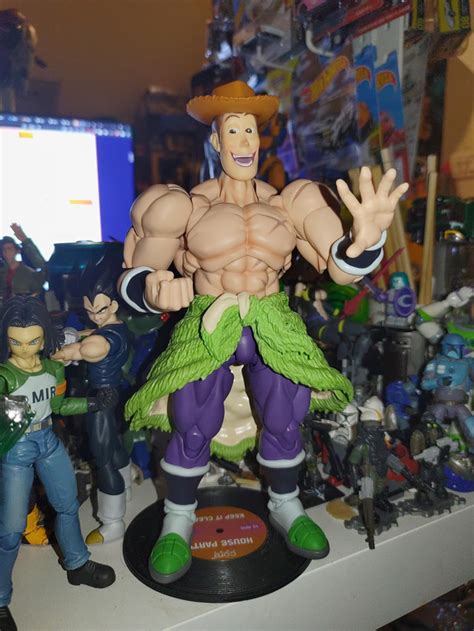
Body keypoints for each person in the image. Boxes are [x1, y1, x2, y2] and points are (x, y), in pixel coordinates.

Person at [119, 80, 408, 584]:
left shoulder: (293, 201)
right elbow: (136, 276)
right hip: (210, 318)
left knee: (285, 417)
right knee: (192, 421)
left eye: (251, 130)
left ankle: (285, 504)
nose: (244, 141)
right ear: (216, 141)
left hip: (272, 317)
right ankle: (178, 519)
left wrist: (365, 240)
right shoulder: (183, 205)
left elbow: (339, 268)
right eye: (233, 130)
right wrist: (155, 289)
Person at [0, 296, 116, 631]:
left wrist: (92, 404)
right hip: (16, 449)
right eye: (16, 342)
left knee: (67, 505)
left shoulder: (53, 368)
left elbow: (60, 406)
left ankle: (77, 564)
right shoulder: (4, 376)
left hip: (48, 439)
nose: (25, 350)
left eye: (33, 341)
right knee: (10, 530)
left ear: (44, 338)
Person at [53, 255, 132, 544]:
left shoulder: (101, 342)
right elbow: (90, 333)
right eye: (89, 310)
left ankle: (113, 523)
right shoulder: (116, 327)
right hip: (112, 394)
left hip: (102, 399)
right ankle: (127, 491)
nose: (94, 316)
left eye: (100, 310)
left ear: (114, 305)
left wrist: (52, 349)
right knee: (114, 448)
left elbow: (81, 349)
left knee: (103, 459)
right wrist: (72, 333)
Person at [0, 224, 47, 305]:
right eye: (3, 250)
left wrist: (25, 241)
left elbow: (43, 267)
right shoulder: (2, 272)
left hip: (24, 309)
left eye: (9, 249)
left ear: (17, 251)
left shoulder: (29, 273)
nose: (6, 252)